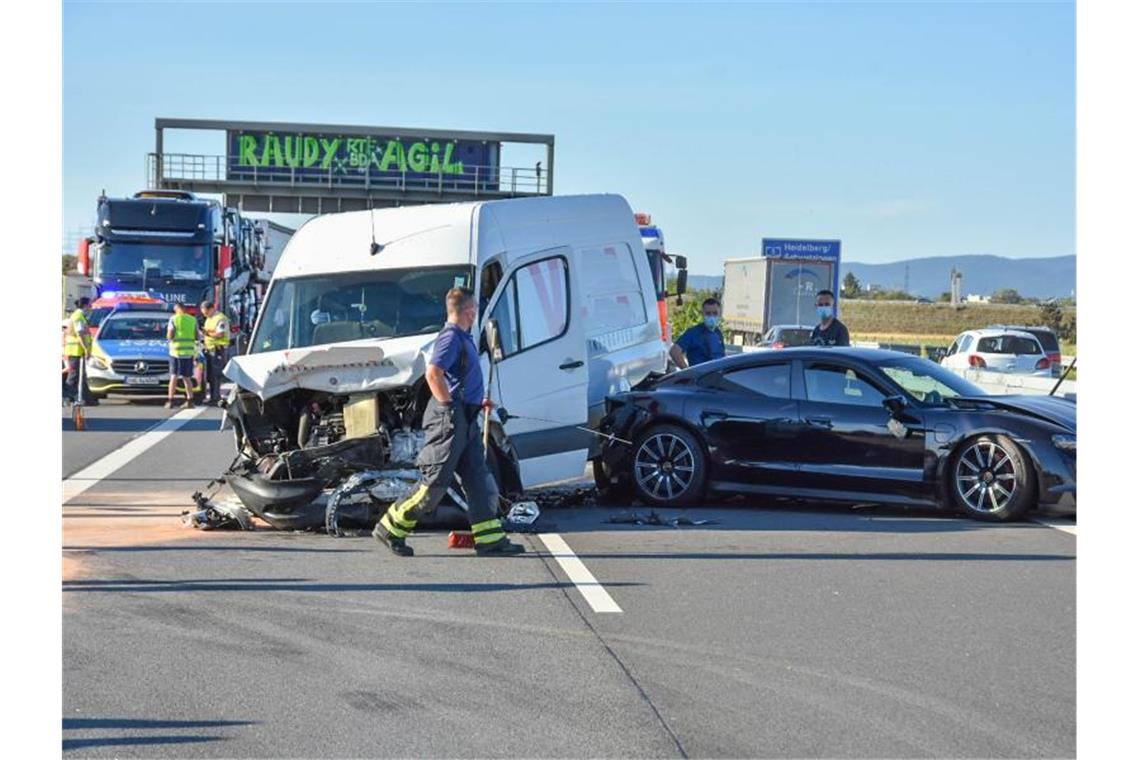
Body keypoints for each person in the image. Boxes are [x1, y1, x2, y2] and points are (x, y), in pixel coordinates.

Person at [373, 287, 525, 557]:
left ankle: (489, 539)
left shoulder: (462, 338)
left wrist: (477, 403)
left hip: (465, 417)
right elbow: (434, 374)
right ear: (469, 310)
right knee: (434, 484)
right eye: (475, 308)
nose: (476, 312)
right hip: (451, 420)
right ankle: (390, 528)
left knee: (478, 479)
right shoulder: (451, 337)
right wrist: (449, 406)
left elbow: (458, 379)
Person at [669, 297, 726, 369]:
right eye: (708, 313)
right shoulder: (693, 333)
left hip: (717, 378)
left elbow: (722, 357)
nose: (711, 317)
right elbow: (674, 351)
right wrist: (688, 373)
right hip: (701, 378)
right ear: (703, 314)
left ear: (720, 314)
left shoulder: (718, 333)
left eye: (715, 313)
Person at [63, 297, 99, 406]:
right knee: (74, 376)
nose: (91, 307)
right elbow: (80, 334)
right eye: (89, 304)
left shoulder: (80, 316)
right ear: (85, 305)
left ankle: (87, 399)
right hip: (75, 350)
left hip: (78, 350)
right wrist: (86, 349)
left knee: (81, 376)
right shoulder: (78, 316)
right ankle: (66, 397)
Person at [166, 301, 200, 409]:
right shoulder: (192, 319)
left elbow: (170, 335)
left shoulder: (174, 319)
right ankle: (190, 401)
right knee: (187, 377)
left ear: (177, 308)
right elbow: (197, 336)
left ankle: (170, 401)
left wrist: (169, 338)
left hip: (176, 352)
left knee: (174, 377)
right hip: (189, 352)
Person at [200, 300, 230, 406]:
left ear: (211, 309)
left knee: (216, 374)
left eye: (206, 312)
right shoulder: (209, 318)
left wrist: (206, 333)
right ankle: (213, 396)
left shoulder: (220, 318)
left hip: (218, 349)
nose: (205, 315)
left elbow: (220, 334)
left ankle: (216, 397)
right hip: (210, 349)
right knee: (211, 374)